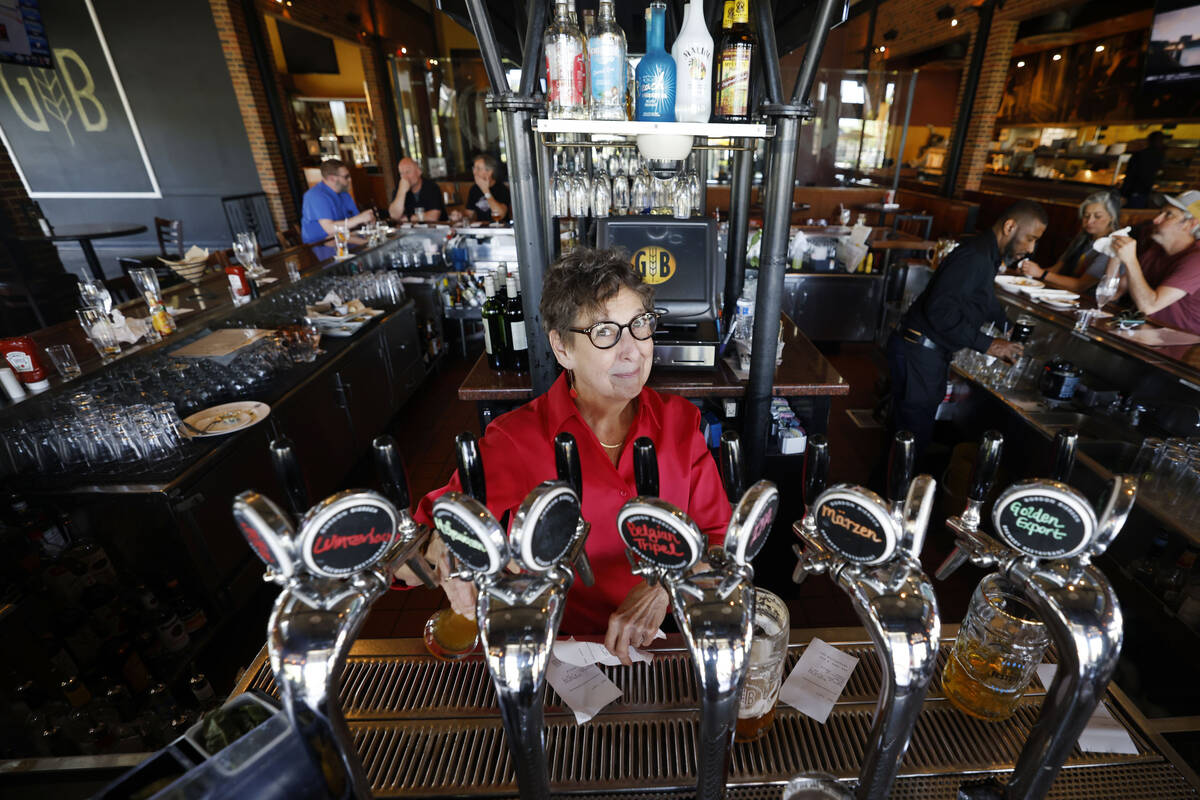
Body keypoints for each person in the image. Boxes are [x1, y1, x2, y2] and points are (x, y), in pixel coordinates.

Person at [402, 248, 731, 663]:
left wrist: (664, 586)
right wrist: (445, 553)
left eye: (639, 325)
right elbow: (415, 545)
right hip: (556, 655)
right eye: (605, 332)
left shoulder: (681, 423)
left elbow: (719, 540)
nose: (633, 350)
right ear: (562, 347)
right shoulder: (515, 439)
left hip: (656, 648)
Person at [887, 201, 1044, 453]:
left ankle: (889, 490)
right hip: (918, 354)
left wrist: (1005, 325)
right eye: (1030, 238)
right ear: (1010, 226)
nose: (1030, 248)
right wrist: (990, 344)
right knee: (911, 445)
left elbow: (984, 296)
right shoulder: (976, 256)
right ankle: (894, 492)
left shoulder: (986, 254)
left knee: (906, 441)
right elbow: (939, 312)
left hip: (925, 354)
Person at [1110, 190, 1200, 335]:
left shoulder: (1197, 260)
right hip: (1140, 332)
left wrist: (1130, 259)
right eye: (1160, 213)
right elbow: (1113, 293)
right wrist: (1114, 255)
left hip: (1177, 347)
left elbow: (1150, 306)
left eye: (1168, 215)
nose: (1156, 220)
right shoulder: (1155, 249)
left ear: (1190, 224)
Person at [1018, 192, 1121, 293]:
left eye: (1097, 216)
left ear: (1112, 217)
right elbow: (1055, 270)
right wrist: (1030, 272)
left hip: (1091, 301)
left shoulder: (1113, 246)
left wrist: (1041, 273)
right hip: (1063, 293)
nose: (1089, 221)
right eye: (1086, 216)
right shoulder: (1082, 238)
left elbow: (1080, 286)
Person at [300, 159, 375, 244]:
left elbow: (355, 222)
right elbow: (330, 229)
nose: (350, 179)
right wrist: (359, 219)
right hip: (320, 247)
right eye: (346, 177)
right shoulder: (315, 196)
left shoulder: (343, 193)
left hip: (343, 240)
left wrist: (366, 220)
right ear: (332, 178)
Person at [457, 153, 511, 224]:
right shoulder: (474, 189)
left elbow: (500, 215)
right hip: (481, 231)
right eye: (474, 168)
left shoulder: (502, 189)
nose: (474, 172)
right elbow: (469, 214)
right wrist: (460, 215)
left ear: (490, 172)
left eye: (478, 169)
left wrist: (485, 190)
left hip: (500, 231)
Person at [388, 157, 445, 223]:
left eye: (408, 172)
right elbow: (394, 216)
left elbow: (433, 217)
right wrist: (402, 192)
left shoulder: (432, 187)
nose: (405, 177)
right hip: (410, 232)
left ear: (419, 171)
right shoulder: (400, 189)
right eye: (401, 173)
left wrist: (408, 219)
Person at [1120, 131, 1168, 209]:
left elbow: (1130, 175)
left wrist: (1124, 193)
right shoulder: (1160, 155)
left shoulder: (1139, 155)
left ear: (1149, 141)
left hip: (1135, 191)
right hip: (1145, 191)